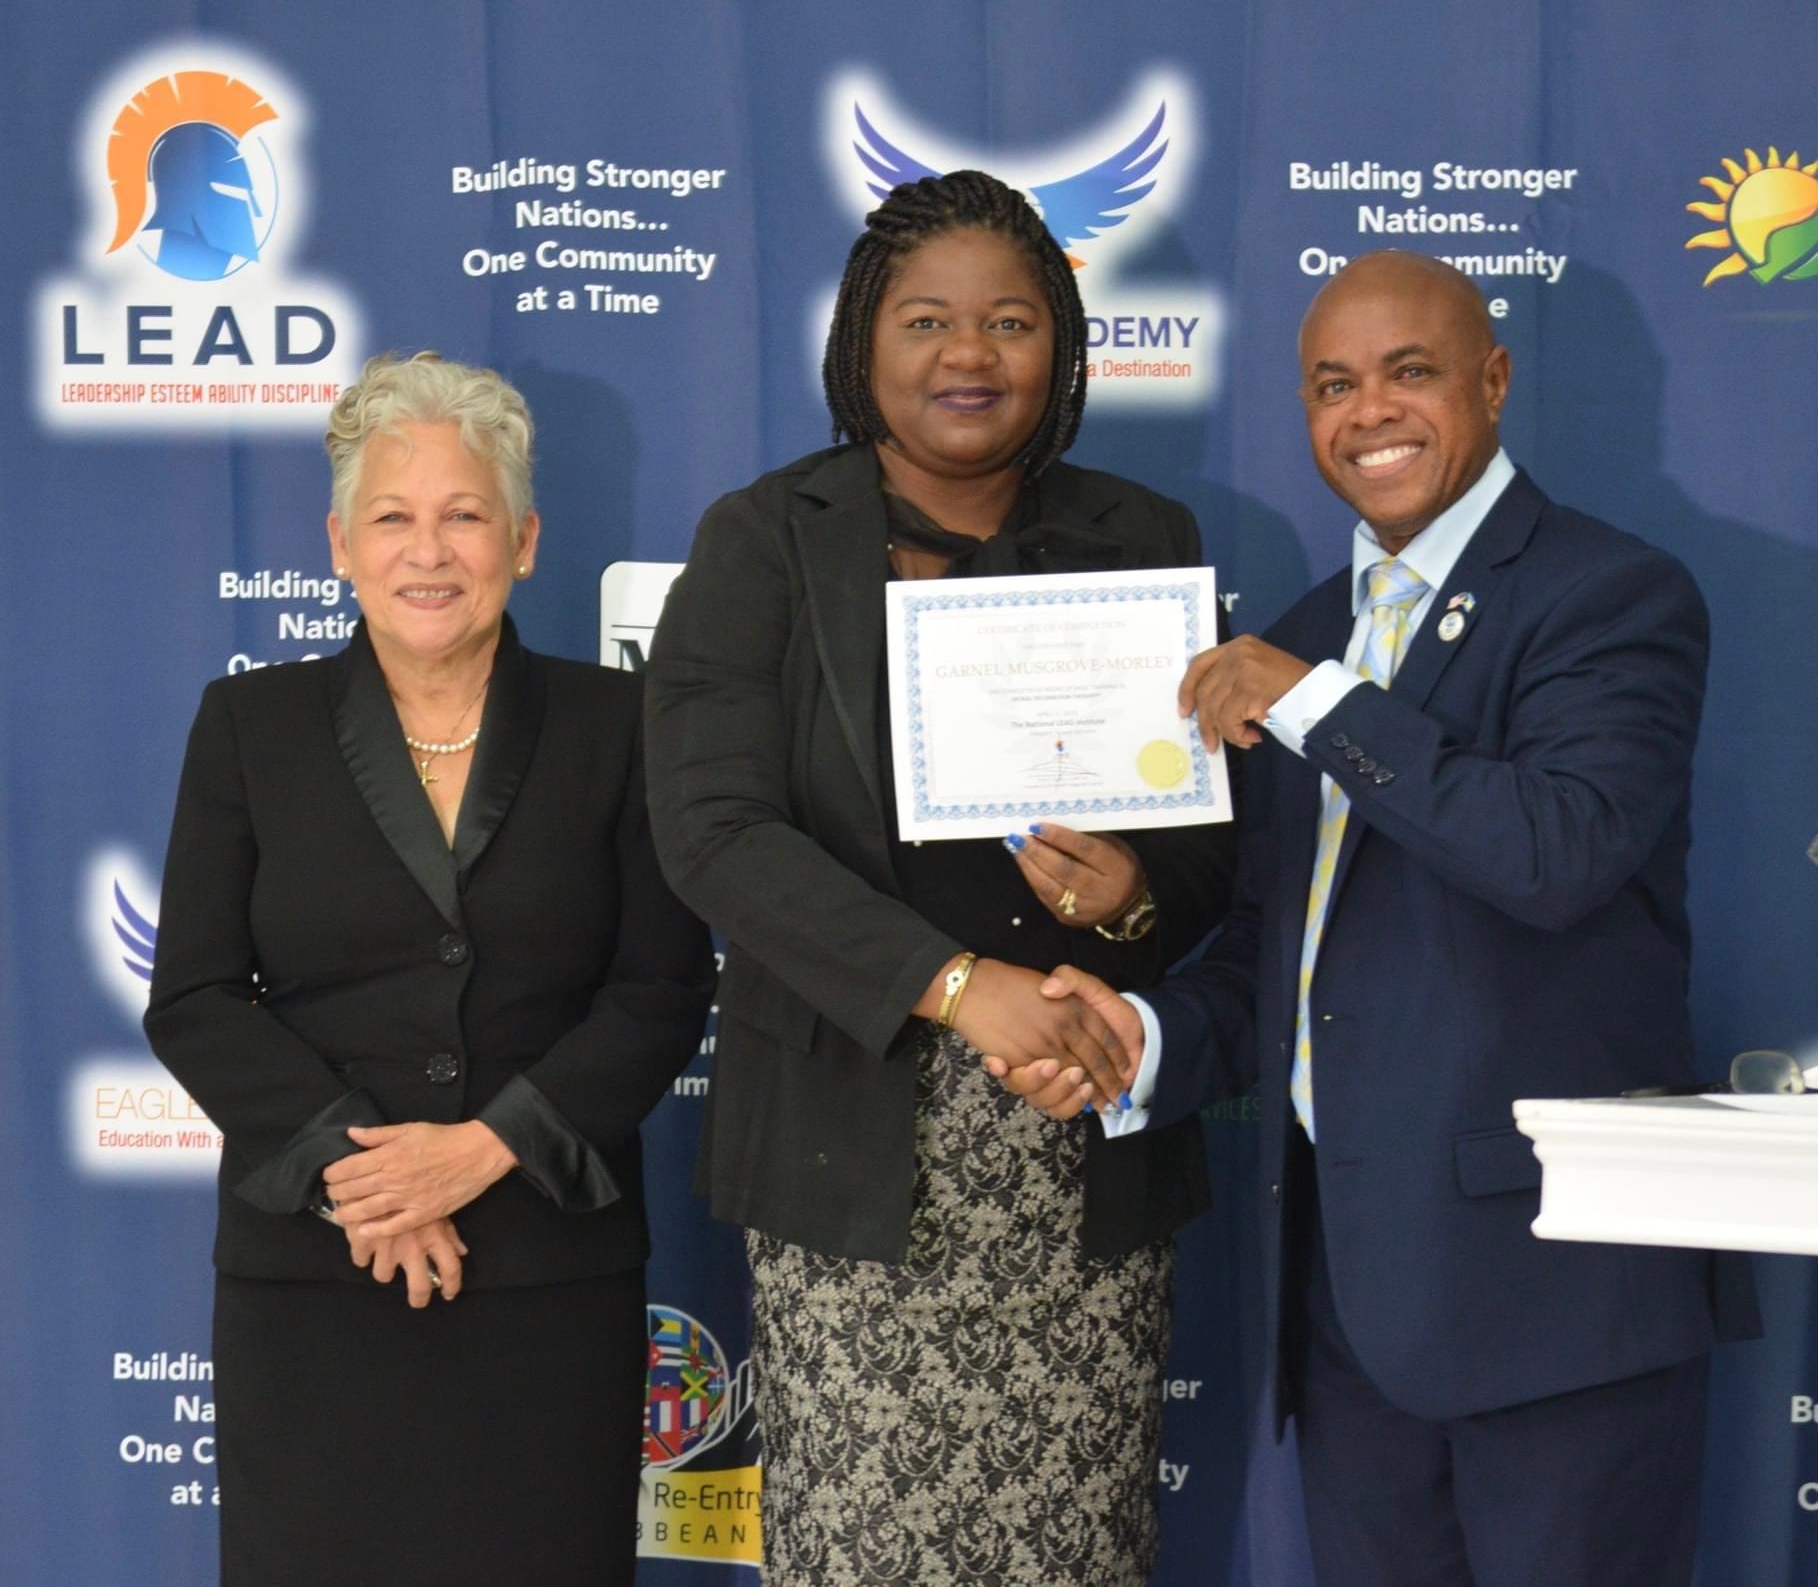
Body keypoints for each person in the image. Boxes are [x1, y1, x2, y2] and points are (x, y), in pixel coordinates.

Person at [1006, 250, 1760, 1586]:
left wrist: (1317, 704)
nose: (1369, 412)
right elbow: (1278, 949)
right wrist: (1140, 1036)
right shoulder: (1305, 635)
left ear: (1493, 380)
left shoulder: (1607, 593)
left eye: (1409, 372)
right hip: (1349, 1306)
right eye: (1331, 385)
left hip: (1559, 1302)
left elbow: (1557, 851)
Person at [642, 170, 1237, 1586]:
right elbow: (713, 829)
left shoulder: (1145, 537)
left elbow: (1212, 855)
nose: (969, 354)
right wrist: (959, 986)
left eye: (1009, 321)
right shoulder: (762, 538)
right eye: (926, 320)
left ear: (1061, 344)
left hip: (1081, 1131)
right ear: (863, 342)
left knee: (1075, 1550)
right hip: (852, 1151)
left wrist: (1129, 895)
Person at [144, 352, 715, 1587]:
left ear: (524, 540)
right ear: (340, 545)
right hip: (315, 1274)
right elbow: (193, 996)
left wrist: (486, 1147)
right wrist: (369, 1178)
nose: (429, 551)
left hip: (547, 1273)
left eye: (465, 515)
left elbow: (664, 989)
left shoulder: (621, 727)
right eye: (393, 518)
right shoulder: (249, 727)